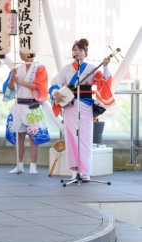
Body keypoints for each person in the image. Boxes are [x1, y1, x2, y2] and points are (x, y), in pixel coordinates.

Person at [49, 38, 115, 181]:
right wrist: (55, 93)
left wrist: (105, 67)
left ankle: (85, 171)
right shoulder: (66, 69)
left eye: (80, 50)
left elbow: (104, 81)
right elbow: (54, 84)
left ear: (85, 53)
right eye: (74, 50)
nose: (77, 52)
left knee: (85, 138)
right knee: (71, 137)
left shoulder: (91, 68)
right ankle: (74, 169)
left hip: (85, 106)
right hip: (70, 106)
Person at [3, 52, 50, 174]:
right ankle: (19, 165)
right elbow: (11, 87)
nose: (23, 55)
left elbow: (38, 86)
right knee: (19, 136)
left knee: (33, 136)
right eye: (21, 53)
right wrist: (12, 78)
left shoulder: (39, 68)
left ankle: (33, 165)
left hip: (32, 105)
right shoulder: (17, 69)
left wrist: (20, 82)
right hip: (19, 105)